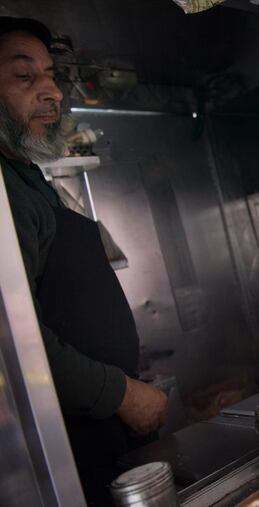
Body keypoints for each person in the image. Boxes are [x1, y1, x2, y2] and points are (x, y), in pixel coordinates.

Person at [0, 17, 168, 503]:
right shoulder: (5, 189)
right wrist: (121, 394)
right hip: (64, 447)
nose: (51, 91)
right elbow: (14, 336)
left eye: (50, 74)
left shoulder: (26, 176)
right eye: (24, 77)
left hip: (94, 433)